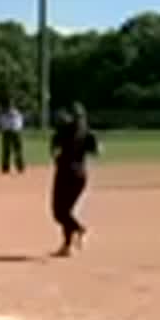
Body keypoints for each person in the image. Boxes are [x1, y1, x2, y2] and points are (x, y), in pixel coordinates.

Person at [50, 104, 98, 256]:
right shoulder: (87, 133)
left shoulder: (63, 131)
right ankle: (67, 246)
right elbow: (96, 152)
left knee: (59, 213)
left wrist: (57, 154)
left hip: (65, 174)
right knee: (67, 211)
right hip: (80, 176)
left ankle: (78, 229)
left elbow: (54, 150)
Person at [0, 99, 26, 175]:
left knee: (17, 150)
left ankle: (19, 167)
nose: (9, 107)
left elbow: (1, 122)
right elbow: (1, 123)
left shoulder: (13, 113)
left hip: (14, 132)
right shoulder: (7, 113)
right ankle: (7, 168)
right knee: (7, 151)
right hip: (9, 132)